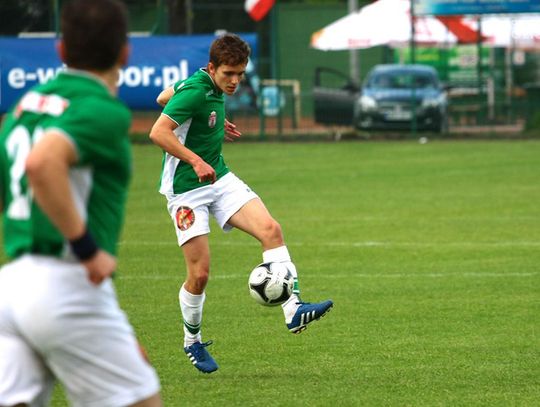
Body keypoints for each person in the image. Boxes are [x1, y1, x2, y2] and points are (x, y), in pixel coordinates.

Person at [0, 0, 162, 405]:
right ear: (125, 53)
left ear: (61, 49)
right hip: (67, 284)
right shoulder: (103, 110)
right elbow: (42, 163)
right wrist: (88, 250)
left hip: (13, 285)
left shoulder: (24, 107)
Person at [149, 33, 333, 374]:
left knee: (271, 230)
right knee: (200, 275)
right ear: (212, 68)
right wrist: (195, 160)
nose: (235, 81)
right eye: (228, 74)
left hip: (219, 178)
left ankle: (293, 310)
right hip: (186, 190)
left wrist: (210, 121)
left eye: (240, 74)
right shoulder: (195, 91)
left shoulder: (206, 87)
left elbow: (163, 96)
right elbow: (158, 132)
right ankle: (192, 341)